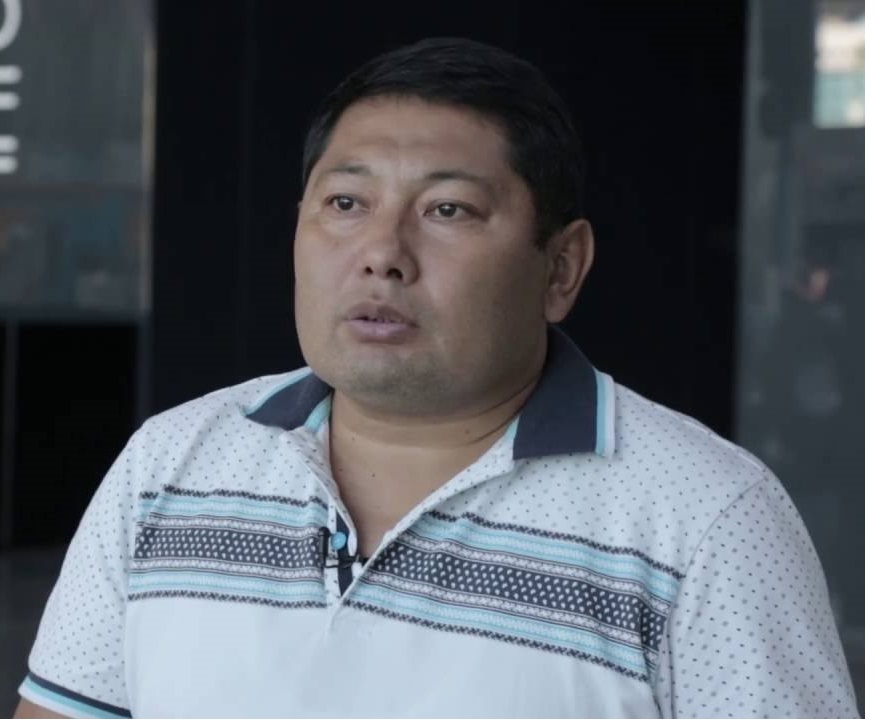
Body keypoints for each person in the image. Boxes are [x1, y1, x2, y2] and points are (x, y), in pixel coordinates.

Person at [14, 37, 857, 718]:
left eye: (447, 210)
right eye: (346, 204)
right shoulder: (170, 464)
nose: (381, 253)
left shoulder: (705, 517)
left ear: (561, 267)